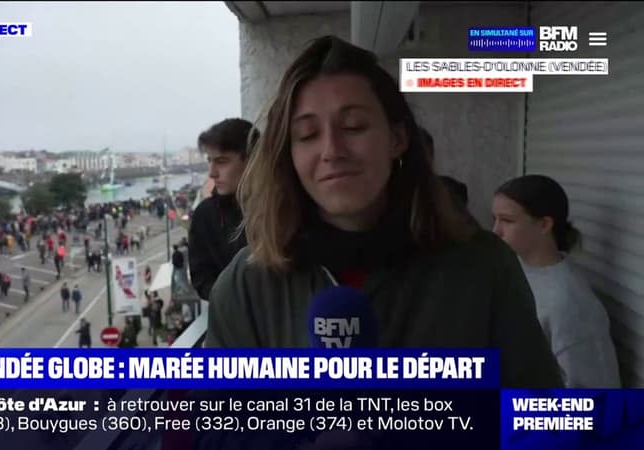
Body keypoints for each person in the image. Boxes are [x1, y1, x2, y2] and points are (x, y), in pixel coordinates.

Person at [204, 36, 561, 389]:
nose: (332, 151)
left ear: (397, 138)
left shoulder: (484, 269)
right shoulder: (246, 286)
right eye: (308, 134)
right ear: (289, 155)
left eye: (354, 127)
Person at [492, 175, 620, 388]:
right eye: (494, 219)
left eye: (507, 220)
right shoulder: (515, 268)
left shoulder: (569, 304)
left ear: (544, 224)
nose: (495, 231)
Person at [189, 118, 256, 299]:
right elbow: (201, 277)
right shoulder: (205, 215)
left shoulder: (285, 209)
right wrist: (233, 300)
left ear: (252, 161)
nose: (212, 172)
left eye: (221, 161)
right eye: (210, 161)